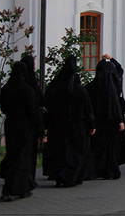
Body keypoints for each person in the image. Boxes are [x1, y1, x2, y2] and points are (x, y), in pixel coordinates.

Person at [44, 56, 95, 187]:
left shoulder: (56, 86)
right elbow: (87, 108)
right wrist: (91, 124)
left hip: (58, 125)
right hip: (76, 126)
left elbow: (47, 102)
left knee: (60, 151)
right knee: (75, 152)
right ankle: (71, 177)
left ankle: (59, 176)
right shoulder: (80, 90)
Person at [0, 61, 43, 201]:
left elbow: (3, 107)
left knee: (12, 154)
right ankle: (20, 188)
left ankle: (8, 187)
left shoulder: (6, 89)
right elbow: (33, 111)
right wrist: (40, 129)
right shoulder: (27, 90)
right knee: (22, 158)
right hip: (25, 126)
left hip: (11, 125)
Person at [84, 57, 125, 180]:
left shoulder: (90, 87)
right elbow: (115, 106)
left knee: (97, 147)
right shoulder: (112, 88)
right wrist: (119, 121)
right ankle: (109, 171)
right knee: (110, 148)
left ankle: (96, 170)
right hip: (111, 122)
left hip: (97, 123)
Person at [20, 55, 45, 184]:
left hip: (14, 124)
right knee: (28, 153)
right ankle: (28, 178)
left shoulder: (14, 83)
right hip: (28, 124)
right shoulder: (31, 85)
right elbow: (39, 102)